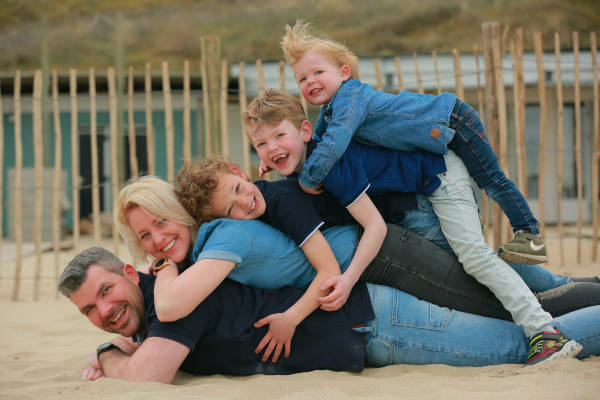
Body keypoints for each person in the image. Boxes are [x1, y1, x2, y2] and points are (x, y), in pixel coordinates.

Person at [241, 87, 582, 365]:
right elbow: (299, 170)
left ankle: (546, 328)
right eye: (261, 145)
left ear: (305, 131)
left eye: (279, 136)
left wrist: (348, 278)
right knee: (501, 271)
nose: (271, 148)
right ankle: (580, 288)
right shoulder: (313, 159)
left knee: (481, 268)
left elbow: (375, 227)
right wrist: (276, 161)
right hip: (420, 197)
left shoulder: (329, 164)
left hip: (423, 200)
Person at [115, 176, 596, 365]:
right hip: (373, 263)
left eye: (161, 223)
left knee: (509, 304)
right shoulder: (219, 237)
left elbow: (172, 304)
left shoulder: (222, 238)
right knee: (523, 286)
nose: (157, 240)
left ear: (181, 212)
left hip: (382, 257)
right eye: (145, 237)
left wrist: (164, 265)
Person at [59, 247, 600, 383]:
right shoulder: (159, 304)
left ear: (131, 273)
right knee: (518, 332)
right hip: (369, 326)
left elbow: (148, 377)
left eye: (107, 291)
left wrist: (108, 355)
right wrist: (121, 344)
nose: (105, 311)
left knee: (518, 346)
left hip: (378, 326)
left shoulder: (174, 297)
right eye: (91, 310)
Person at [281, 20, 544, 265]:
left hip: (453, 121)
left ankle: (530, 234)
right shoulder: (331, 111)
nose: (310, 81)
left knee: (490, 178)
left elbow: (333, 144)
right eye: (302, 78)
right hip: (443, 132)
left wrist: (308, 179)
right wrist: (280, 163)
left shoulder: (351, 97)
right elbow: (315, 144)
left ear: (344, 72)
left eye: (318, 72)